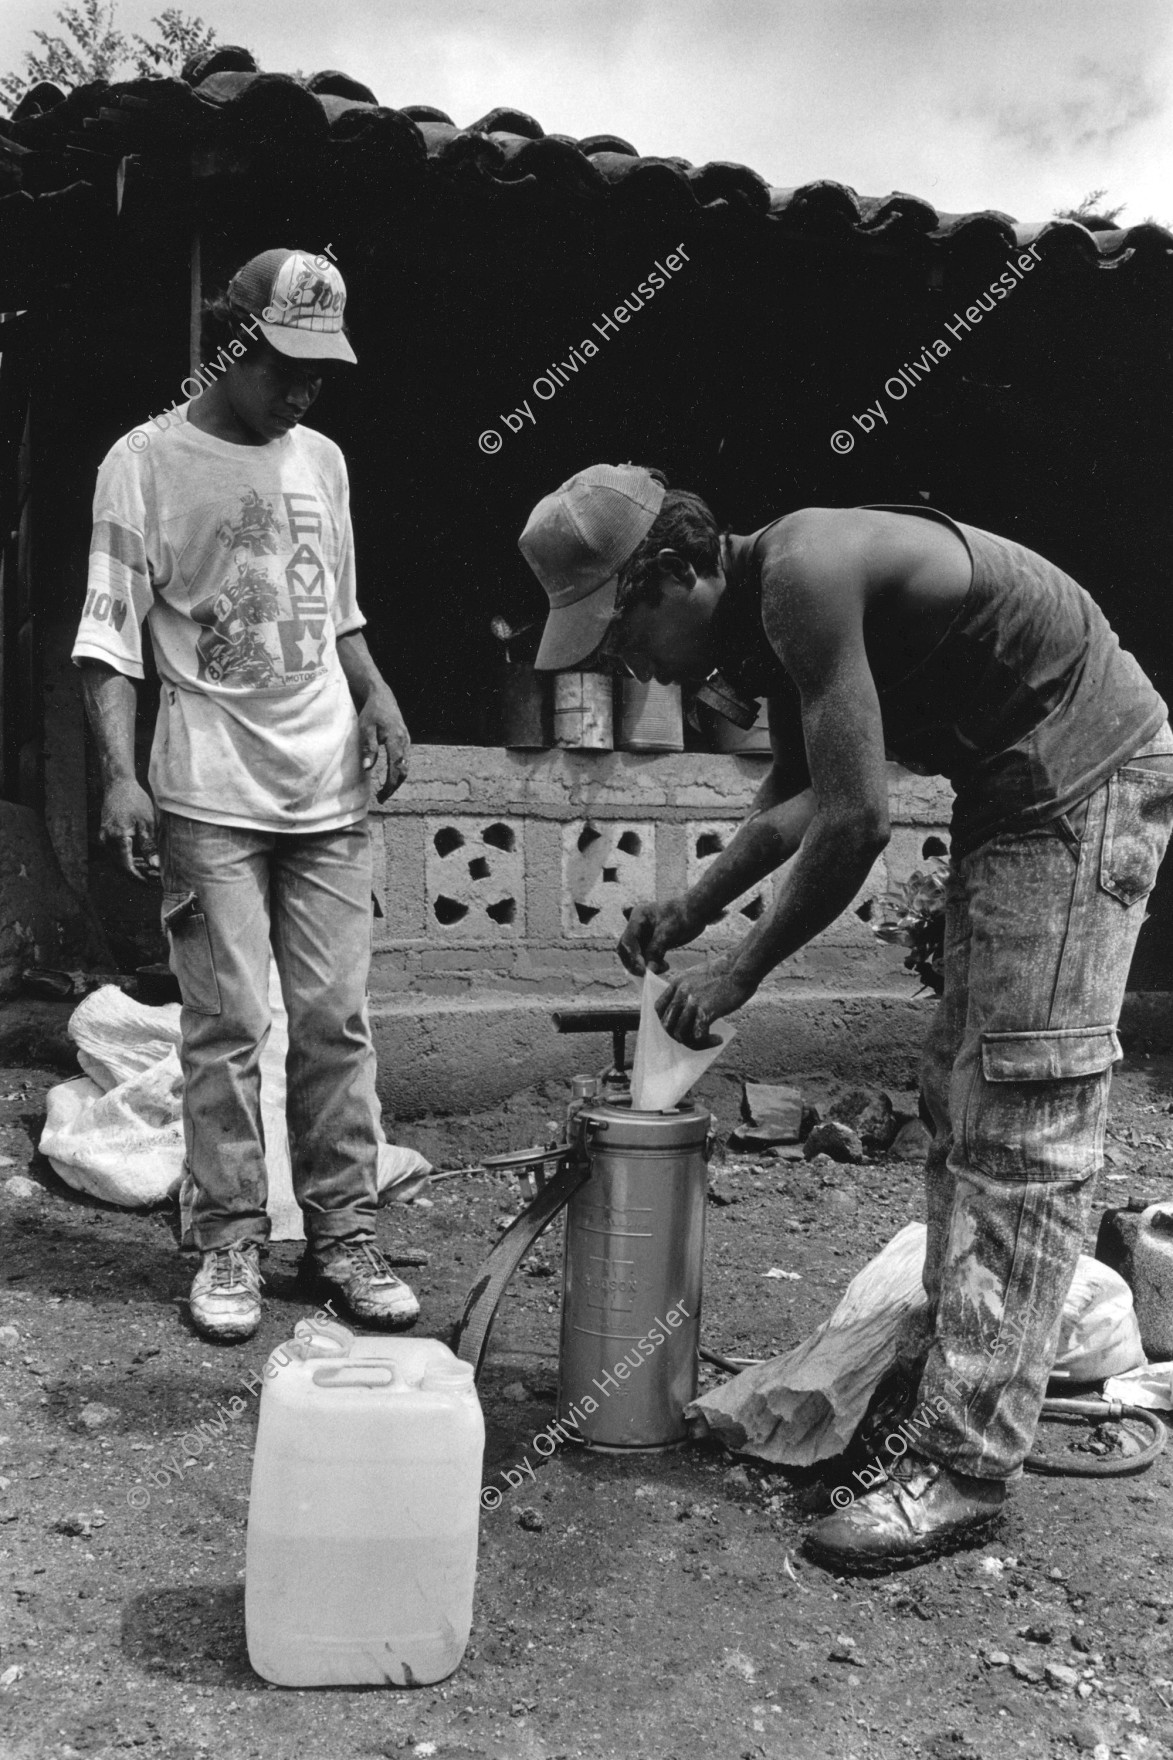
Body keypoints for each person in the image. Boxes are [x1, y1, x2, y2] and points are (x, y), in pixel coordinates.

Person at [519, 462, 1173, 1569]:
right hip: (1013, 795)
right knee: (960, 1098)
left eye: (625, 634)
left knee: (1023, 1114)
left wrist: (737, 973)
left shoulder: (804, 574)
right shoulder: (771, 618)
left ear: (676, 571)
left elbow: (861, 820)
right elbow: (801, 797)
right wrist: (694, 903)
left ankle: (966, 1467)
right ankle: (952, 1384)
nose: (634, 666)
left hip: (1084, 779)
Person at [73, 248, 419, 1344]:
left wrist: (377, 696)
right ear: (231, 339)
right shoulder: (144, 461)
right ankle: (227, 1239)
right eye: (284, 365)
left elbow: (340, 612)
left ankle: (342, 1236)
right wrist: (123, 776)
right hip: (209, 793)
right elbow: (106, 634)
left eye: (322, 369)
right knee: (227, 1026)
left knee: (335, 1023)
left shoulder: (323, 458)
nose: (305, 389)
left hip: (327, 790)